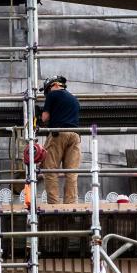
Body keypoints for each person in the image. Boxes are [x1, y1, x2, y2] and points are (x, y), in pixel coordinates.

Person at [39, 76, 81, 204]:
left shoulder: (53, 95)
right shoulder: (74, 99)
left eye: (47, 90)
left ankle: (54, 204)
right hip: (75, 136)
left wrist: (40, 114)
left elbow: (45, 118)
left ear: (54, 85)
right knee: (71, 172)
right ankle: (70, 204)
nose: (47, 93)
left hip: (58, 134)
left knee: (50, 170)